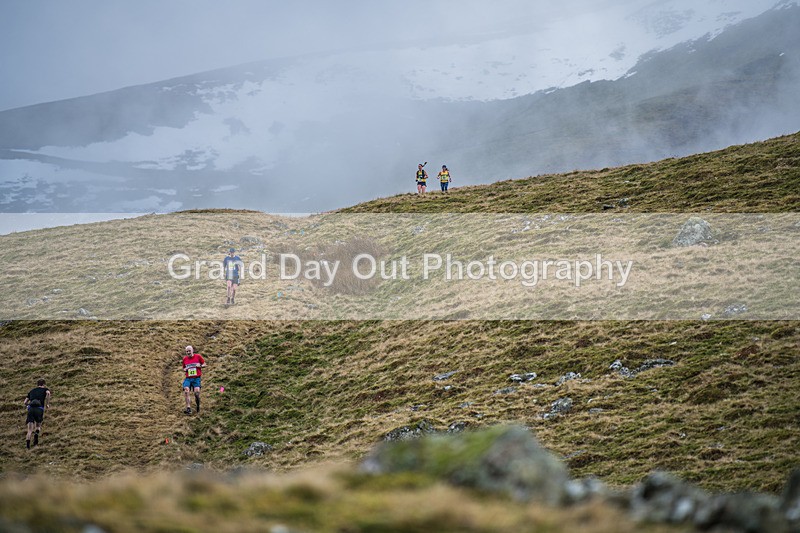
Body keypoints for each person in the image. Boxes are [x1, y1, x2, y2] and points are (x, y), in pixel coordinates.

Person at [24, 379, 51, 449]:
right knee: (38, 426)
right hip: (39, 409)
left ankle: (28, 446)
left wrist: (27, 406)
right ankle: (36, 434)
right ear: (44, 384)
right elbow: (48, 393)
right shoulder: (45, 389)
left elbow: (25, 402)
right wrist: (47, 404)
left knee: (29, 430)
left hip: (31, 409)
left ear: (37, 384)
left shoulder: (31, 391)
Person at [182, 345, 206, 415]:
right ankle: (188, 408)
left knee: (196, 393)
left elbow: (204, 364)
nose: (188, 352)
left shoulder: (198, 356)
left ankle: (198, 405)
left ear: (192, 350)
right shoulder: (185, 359)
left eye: (189, 351)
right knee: (186, 390)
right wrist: (185, 369)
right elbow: (183, 368)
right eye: (187, 351)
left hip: (196, 378)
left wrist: (200, 366)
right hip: (188, 378)